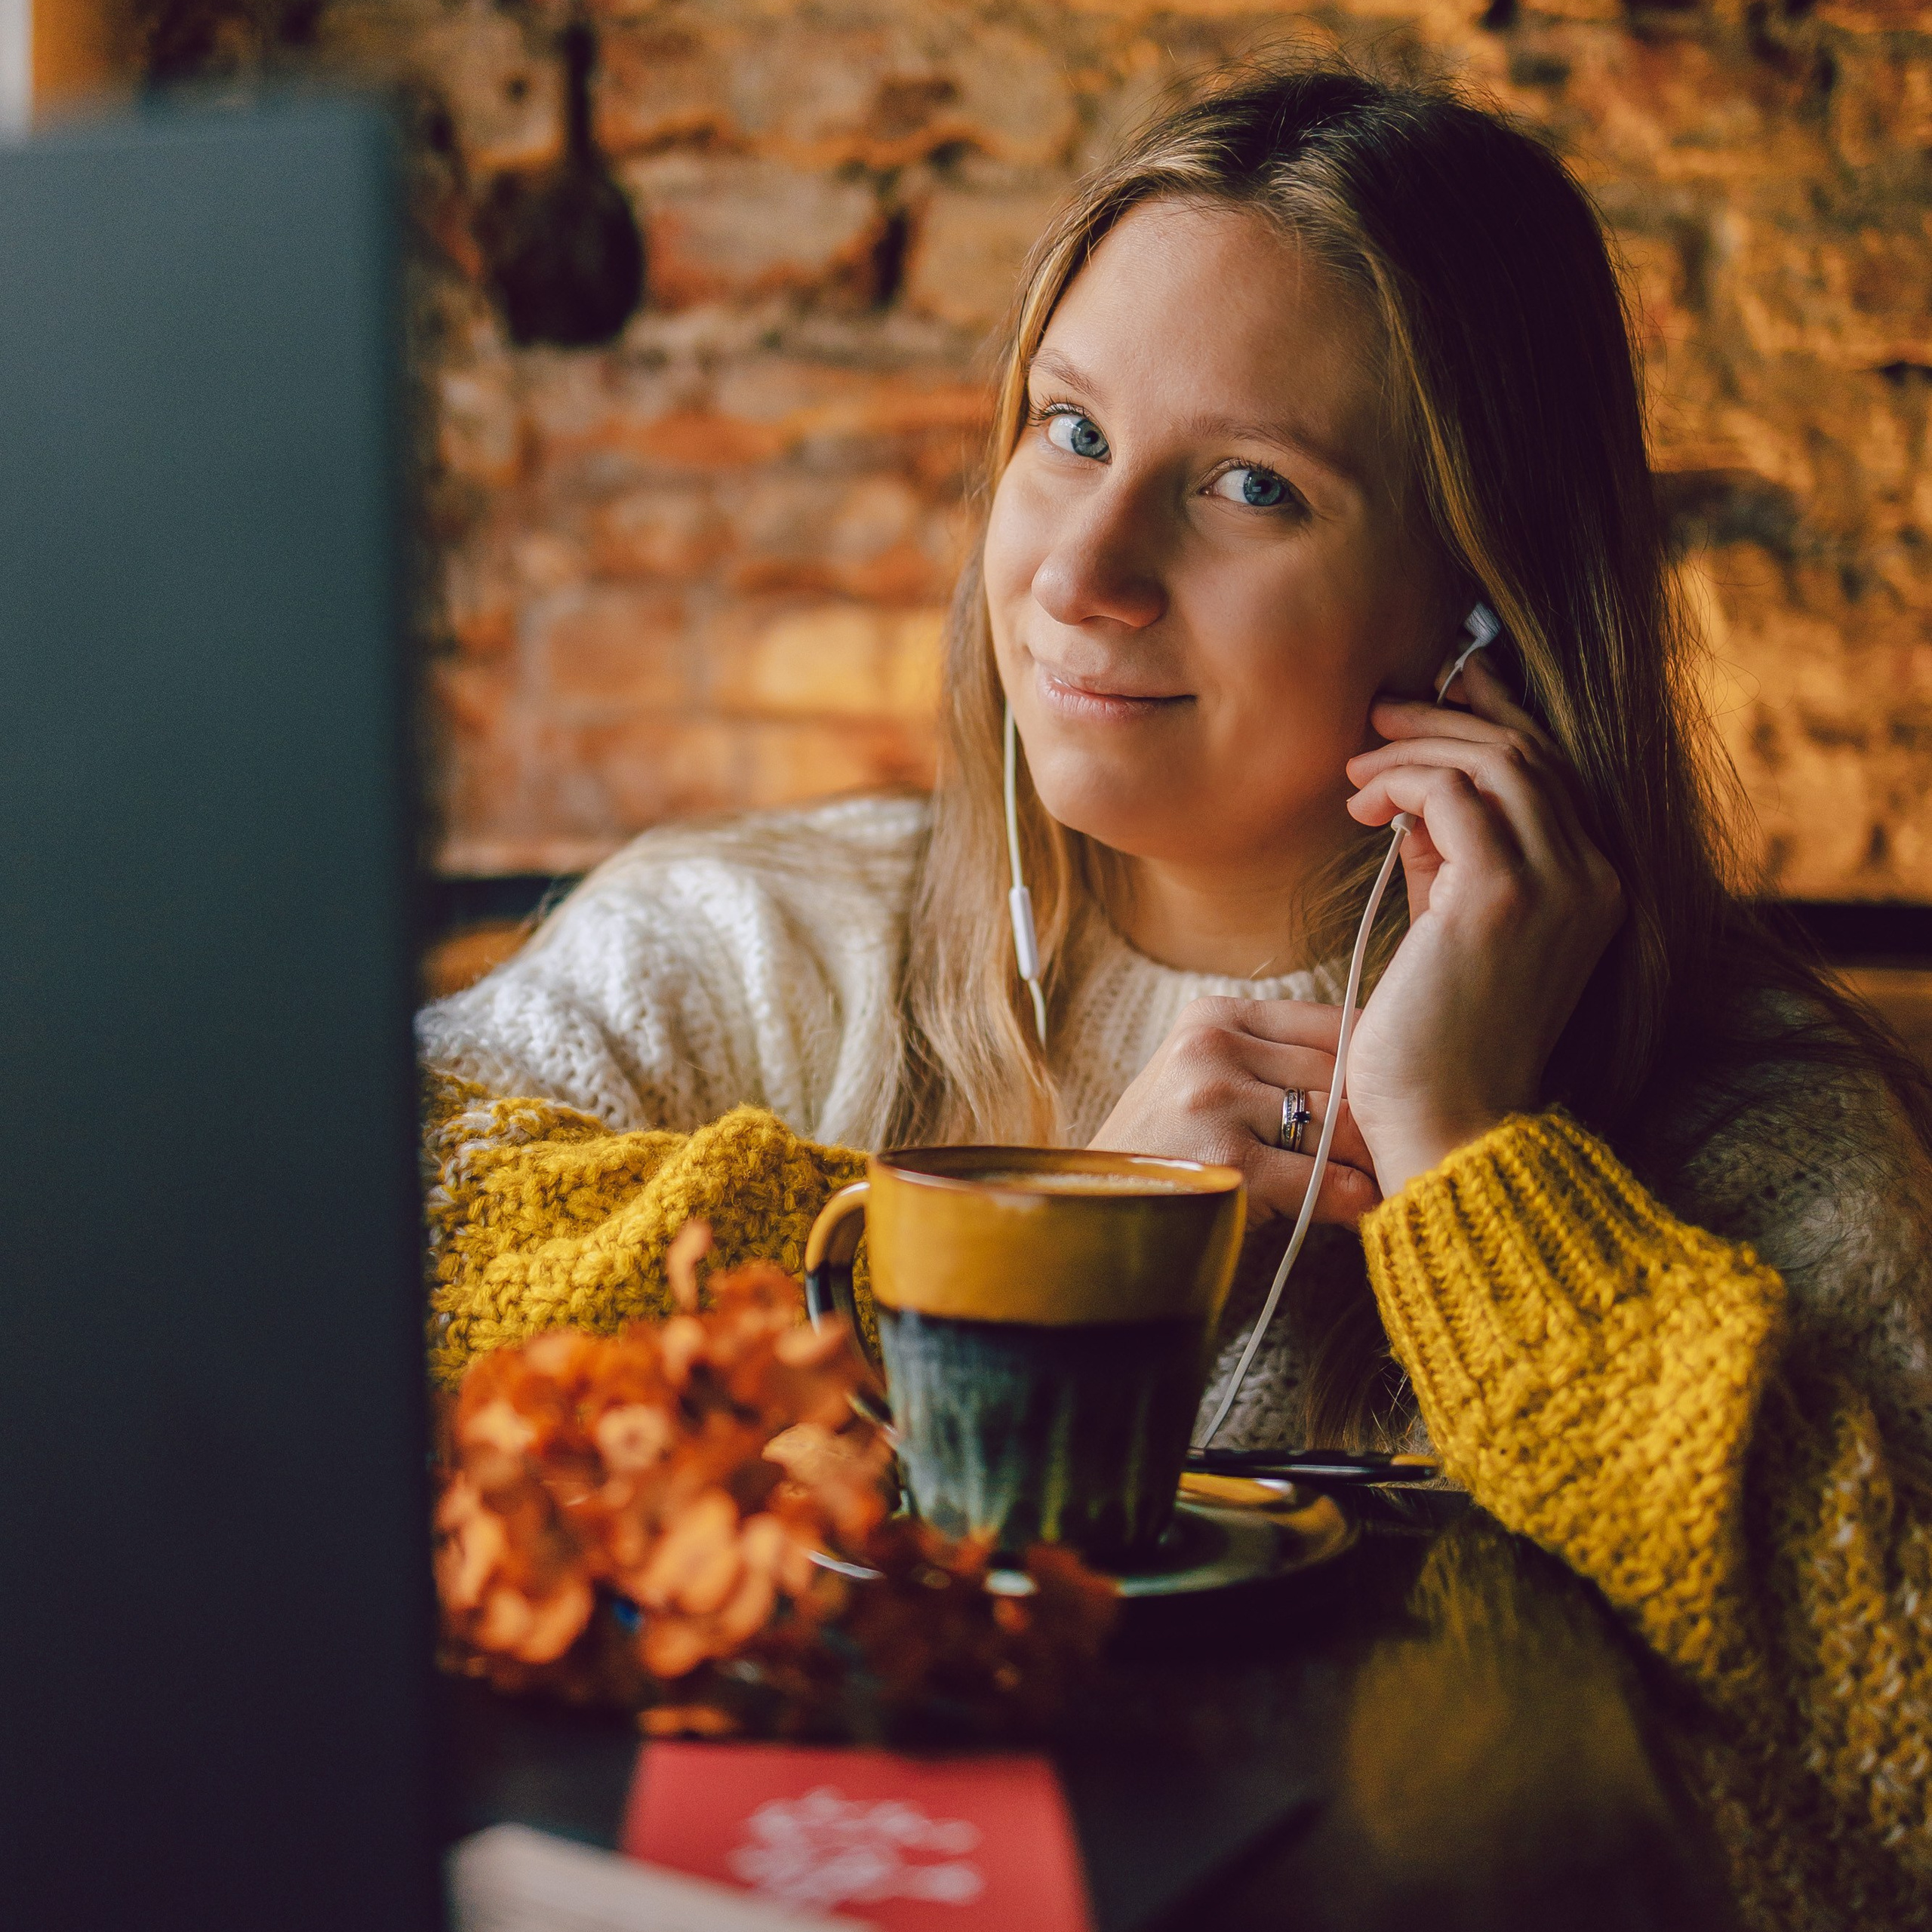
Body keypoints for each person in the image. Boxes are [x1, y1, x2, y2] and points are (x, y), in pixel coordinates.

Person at [420, 60, 1932, 1926]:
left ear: (1482, 603)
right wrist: (1024, 1252)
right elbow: (284, 1260)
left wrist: (1477, 1171)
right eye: (1067, 430)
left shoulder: (1756, 1129)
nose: (1082, 569)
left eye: (1245, 485)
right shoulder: (750, 940)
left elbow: (1884, 1775)